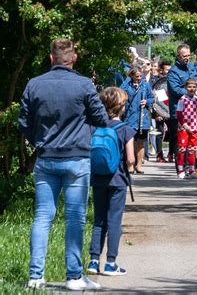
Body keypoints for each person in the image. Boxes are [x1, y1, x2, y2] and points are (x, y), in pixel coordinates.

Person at [19, 38, 108, 290]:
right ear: (74, 58)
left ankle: (36, 276)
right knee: (75, 218)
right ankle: (74, 276)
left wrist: (38, 140)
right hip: (77, 158)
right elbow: (101, 118)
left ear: (51, 58)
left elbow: (24, 121)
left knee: (43, 216)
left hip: (46, 157)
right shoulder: (83, 84)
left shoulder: (34, 84)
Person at [88, 87, 135, 277]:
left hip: (98, 179)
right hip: (117, 180)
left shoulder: (95, 128)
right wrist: (129, 168)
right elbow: (131, 159)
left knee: (99, 220)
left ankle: (93, 261)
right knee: (114, 221)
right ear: (122, 107)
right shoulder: (125, 130)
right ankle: (110, 263)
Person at [167, 44, 197, 164]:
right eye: (184, 56)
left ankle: (191, 167)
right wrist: (192, 92)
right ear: (178, 55)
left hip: (193, 113)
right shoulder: (173, 71)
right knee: (181, 142)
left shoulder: (191, 67)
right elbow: (176, 90)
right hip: (179, 112)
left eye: (188, 55)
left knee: (192, 141)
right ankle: (181, 168)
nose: (187, 58)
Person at [120, 68, 154, 174]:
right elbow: (120, 92)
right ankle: (130, 165)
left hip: (142, 119)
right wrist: (128, 80)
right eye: (137, 76)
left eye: (140, 76)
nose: (139, 78)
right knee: (130, 142)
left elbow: (152, 98)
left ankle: (139, 166)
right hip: (130, 118)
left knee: (141, 143)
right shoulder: (127, 86)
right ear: (132, 76)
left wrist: (147, 101)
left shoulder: (145, 85)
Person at [176, 78, 197, 179]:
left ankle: (192, 170)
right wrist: (184, 124)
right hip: (184, 127)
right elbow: (179, 113)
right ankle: (180, 170)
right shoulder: (183, 99)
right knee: (182, 149)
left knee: (192, 149)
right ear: (185, 88)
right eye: (189, 87)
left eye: (193, 87)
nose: (191, 89)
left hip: (194, 127)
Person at [151, 62, 171, 163]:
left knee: (173, 132)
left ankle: (171, 154)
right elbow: (155, 100)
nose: (169, 72)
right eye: (167, 70)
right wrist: (157, 114)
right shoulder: (157, 82)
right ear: (162, 70)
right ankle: (159, 155)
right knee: (160, 132)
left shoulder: (172, 81)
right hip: (159, 111)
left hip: (170, 111)